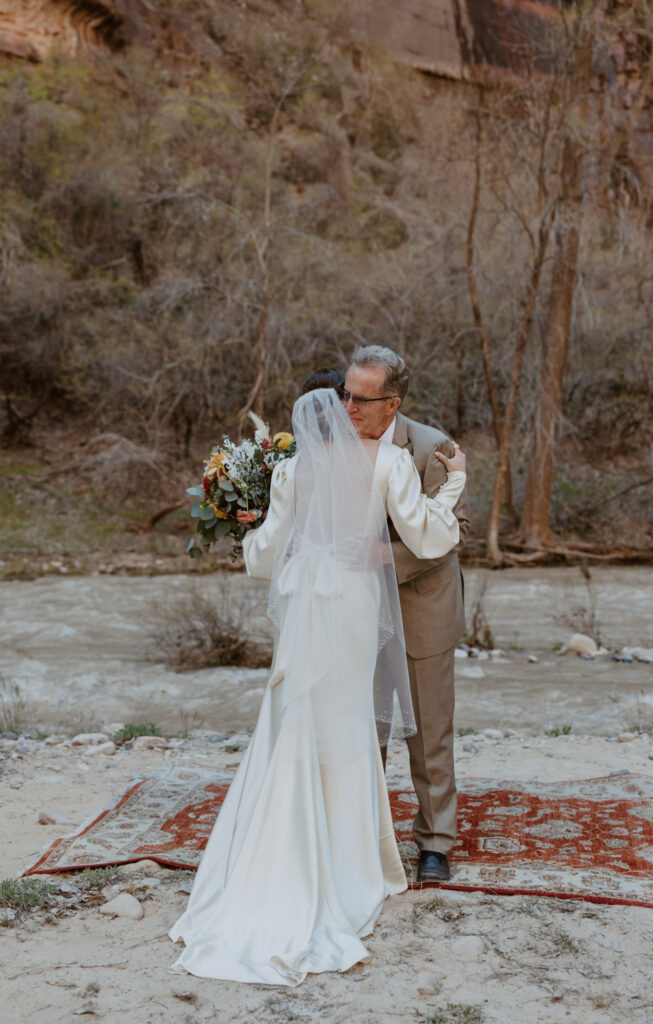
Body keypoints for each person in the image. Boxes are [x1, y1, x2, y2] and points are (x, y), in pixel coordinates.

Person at [169, 388, 466, 985]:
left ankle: (283, 845)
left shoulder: (289, 469)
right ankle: (352, 859)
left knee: (298, 714)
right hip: (355, 603)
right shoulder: (386, 463)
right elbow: (432, 532)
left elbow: (264, 559)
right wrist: (455, 482)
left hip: (306, 602)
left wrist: (242, 530)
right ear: (344, 409)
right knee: (351, 719)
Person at [343, 345, 470, 883]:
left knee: (429, 733)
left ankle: (435, 844)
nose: (348, 407)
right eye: (344, 393)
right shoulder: (332, 441)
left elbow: (449, 532)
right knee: (359, 730)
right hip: (354, 609)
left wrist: (384, 558)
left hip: (423, 608)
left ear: (392, 404)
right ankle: (359, 837)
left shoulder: (432, 448)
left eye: (361, 400)